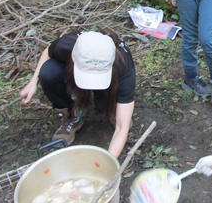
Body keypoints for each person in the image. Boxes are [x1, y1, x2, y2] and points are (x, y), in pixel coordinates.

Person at [19, 29, 136, 158]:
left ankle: (111, 109)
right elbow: (48, 51)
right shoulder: (68, 45)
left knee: (105, 107)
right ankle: (71, 114)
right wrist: (33, 81)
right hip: (73, 71)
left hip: (113, 77)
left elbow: (122, 127)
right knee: (48, 71)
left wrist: (107, 162)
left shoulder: (123, 62)